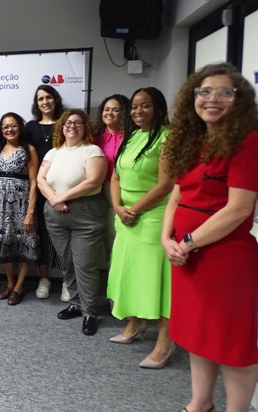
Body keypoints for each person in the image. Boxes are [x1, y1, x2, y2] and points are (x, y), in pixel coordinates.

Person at [161, 63, 258, 412]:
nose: (212, 99)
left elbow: (238, 210)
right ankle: (200, 403)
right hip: (187, 257)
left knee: (232, 344)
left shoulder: (249, 142)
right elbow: (177, 196)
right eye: (204, 91)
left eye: (224, 92)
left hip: (224, 259)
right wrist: (165, 238)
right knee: (197, 335)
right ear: (193, 97)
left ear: (239, 99)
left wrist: (186, 243)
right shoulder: (193, 141)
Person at [106, 88, 174, 368]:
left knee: (156, 281)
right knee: (130, 274)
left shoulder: (167, 137)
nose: (138, 111)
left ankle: (165, 342)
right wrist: (118, 207)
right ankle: (135, 324)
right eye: (134, 106)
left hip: (152, 217)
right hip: (126, 217)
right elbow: (115, 177)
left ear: (158, 108)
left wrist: (134, 210)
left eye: (145, 106)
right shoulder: (132, 136)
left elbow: (166, 184)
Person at [37, 109, 107, 335]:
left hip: (86, 215)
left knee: (85, 265)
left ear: (85, 127)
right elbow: (40, 179)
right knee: (67, 263)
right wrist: (53, 198)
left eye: (78, 123)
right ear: (62, 127)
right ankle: (76, 304)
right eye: (68, 122)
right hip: (56, 215)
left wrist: (62, 197)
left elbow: (94, 180)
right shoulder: (53, 152)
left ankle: (90, 312)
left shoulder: (92, 150)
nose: (72, 126)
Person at [0, 112, 40, 305]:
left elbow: (34, 182)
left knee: (23, 244)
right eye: (5, 126)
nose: (9, 129)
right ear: (1, 130)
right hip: (1, 206)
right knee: (4, 242)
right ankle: (10, 283)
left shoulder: (29, 149)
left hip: (22, 205)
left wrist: (30, 213)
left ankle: (19, 286)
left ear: (20, 127)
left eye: (13, 125)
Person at [24, 85, 65, 300]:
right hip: (38, 188)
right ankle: (44, 279)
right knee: (39, 233)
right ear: (36, 103)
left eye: (48, 97)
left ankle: (67, 281)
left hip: (63, 188)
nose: (45, 102)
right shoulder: (30, 127)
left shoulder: (65, 124)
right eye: (40, 99)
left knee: (63, 235)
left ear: (55, 99)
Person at [94, 94, 130, 264]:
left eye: (115, 110)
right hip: (96, 190)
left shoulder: (131, 137)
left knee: (114, 234)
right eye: (106, 109)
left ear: (124, 113)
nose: (109, 113)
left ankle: (114, 270)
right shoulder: (95, 138)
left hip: (121, 190)